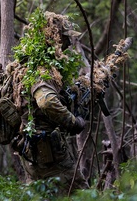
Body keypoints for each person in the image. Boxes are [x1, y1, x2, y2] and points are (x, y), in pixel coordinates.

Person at [6, 11, 87, 188]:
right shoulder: (41, 70)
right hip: (48, 154)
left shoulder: (24, 66)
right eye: (65, 39)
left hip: (31, 152)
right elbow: (47, 101)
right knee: (82, 197)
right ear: (55, 39)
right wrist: (73, 122)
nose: (67, 44)